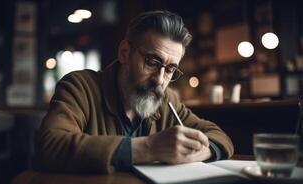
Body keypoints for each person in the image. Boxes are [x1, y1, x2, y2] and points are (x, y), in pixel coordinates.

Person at [36, 10, 234, 174]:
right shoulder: (79, 86)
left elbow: (219, 136)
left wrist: (203, 151)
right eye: (152, 62)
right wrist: (148, 148)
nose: (159, 79)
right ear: (124, 52)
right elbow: (51, 146)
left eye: (170, 69)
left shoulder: (167, 99)